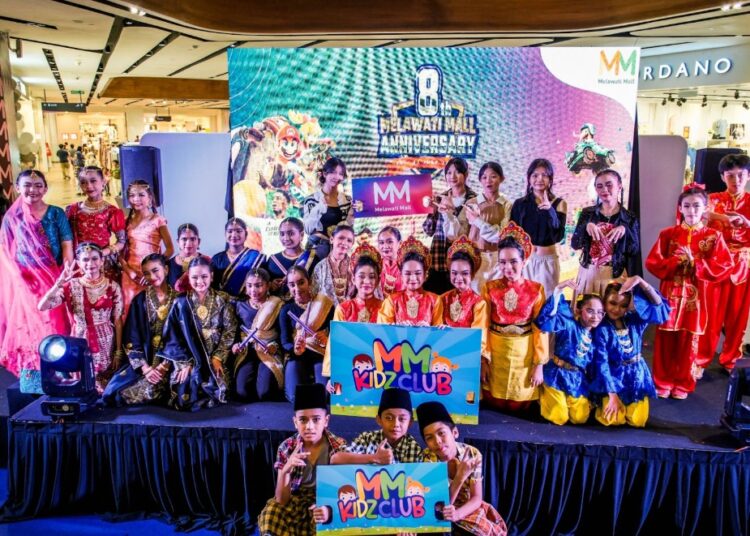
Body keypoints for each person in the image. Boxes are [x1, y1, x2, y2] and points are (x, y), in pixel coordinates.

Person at [645, 186, 732, 400]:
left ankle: (683, 383)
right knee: (665, 338)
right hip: (671, 295)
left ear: (705, 208)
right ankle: (662, 381)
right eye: (687, 206)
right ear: (680, 208)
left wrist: (696, 263)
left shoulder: (713, 236)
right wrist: (675, 262)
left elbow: (724, 265)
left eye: (696, 206)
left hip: (697, 298)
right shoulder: (668, 234)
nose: (691, 210)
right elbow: (653, 262)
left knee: (689, 340)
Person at [0, 170, 73, 393]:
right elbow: (5, 250)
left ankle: (60, 369)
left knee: (56, 323)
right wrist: (17, 277)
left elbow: (66, 244)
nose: (33, 190)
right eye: (27, 185)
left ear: (46, 188)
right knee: (29, 326)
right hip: (26, 281)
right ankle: (34, 373)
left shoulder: (56, 213)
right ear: (18, 188)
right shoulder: (12, 218)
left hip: (53, 277)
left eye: (38, 185)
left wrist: (66, 275)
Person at [257, 383, 347, 536]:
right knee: (271, 512)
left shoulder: (339, 447)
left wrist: (329, 510)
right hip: (295, 501)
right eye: (303, 420)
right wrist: (286, 470)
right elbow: (281, 500)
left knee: (324, 523)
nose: (309, 426)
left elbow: (344, 492)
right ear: (295, 422)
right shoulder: (287, 447)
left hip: (324, 501)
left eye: (316, 419)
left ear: (326, 421)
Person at [38, 242, 124, 394]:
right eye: (85, 259)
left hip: (106, 340)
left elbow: (117, 321)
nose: (90, 264)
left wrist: (118, 351)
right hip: (80, 339)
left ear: (102, 261)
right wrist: (58, 284)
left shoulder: (113, 286)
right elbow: (42, 306)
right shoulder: (71, 286)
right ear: (78, 263)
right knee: (83, 383)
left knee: (105, 387)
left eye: (94, 258)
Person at [481, 225, 548, 412]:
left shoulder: (536, 290)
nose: (507, 267)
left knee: (519, 403)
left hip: (524, 354)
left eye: (513, 262)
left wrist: (539, 364)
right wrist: (483, 361)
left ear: (524, 261)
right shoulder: (489, 288)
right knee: (494, 403)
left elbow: (541, 329)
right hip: (496, 353)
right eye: (502, 262)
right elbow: (483, 325)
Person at [417, 401, 508, 536]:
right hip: (438, 507)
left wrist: (457, 514)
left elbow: (476, 497)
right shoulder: (426, 459)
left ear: (454, 432)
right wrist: (460, 477)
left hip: (466, 507)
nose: (437, 441)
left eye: (441, 433)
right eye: (429, 438)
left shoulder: (472, 454)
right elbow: (439, 504)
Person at [158, 257, 237, 410]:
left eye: (204, 276)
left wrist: (218, 357)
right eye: (194, 277)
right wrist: (185, 363)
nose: (199, 281)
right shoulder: (180, 302)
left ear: (211, 276)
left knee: (215, 385)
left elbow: (229, 331)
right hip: (189, 356)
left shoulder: (222, 299)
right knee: (185, 389)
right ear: (188, 277)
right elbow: (173, 337)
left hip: (214, 356)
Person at [696, 154, 750, 375]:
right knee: (711, 314)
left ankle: (731, 358)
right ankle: (701, 360)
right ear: (722, 177)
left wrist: (747, 223)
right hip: (716, 265)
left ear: (748, 176)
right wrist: (723, 218)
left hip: (743, 265)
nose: (736, 180)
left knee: (737, 316)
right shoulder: (713, 199)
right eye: (730, 175)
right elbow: (698, 214)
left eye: (741, 175)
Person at [592, 277, 670, 427]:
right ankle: (605, 401)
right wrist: (612, 395)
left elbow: (658, 306)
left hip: (637, 377)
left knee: (637, 421)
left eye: (623, 305)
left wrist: (641, 282)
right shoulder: (601, 329)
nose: (617, 309)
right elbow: (602, 364)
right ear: (604, 301)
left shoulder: (635, 320)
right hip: (614, 377)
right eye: (612, 303)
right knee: (614, 420)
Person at [102, 253, 177, 406]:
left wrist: (164, 365)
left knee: (174, 390)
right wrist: (146, 369)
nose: (152, 276)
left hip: (173, 361)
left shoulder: (179, 300)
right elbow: (132, 338)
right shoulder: (140, 300)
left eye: (155, 270)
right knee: (113, 394)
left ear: (166, 269)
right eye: (147, 273)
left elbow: (182, 339)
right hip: (146, 359)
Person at [535, 280, 610, 425]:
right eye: (590, 311)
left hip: (577, 379)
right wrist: (558, 290)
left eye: (600, 312)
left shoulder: (597, 337)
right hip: (556, 374)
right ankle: (545, 396)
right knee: (559, 417)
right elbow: (547, 319)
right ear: (578, 310)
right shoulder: (568, 324)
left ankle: (566, 401)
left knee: (579, 418)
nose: (595, 316)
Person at [571, 168, 640, 299]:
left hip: (615, 274)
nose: (604, 189)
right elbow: (575, 244)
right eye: (600, 186)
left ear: (619, 186)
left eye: (609, 185)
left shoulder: (629, 217)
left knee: (613, 310)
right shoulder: (587, 213)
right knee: (587, 310)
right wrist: (586, 226)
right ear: (596, 190)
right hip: (589, 272)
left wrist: (625, 230)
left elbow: (634, 251)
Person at [322, 243, 383, 388]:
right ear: (353, 279)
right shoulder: (343, 309)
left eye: (372, 277)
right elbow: (335, 343)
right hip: (348, 366)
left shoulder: (385, 307)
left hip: (378, 368)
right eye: (361, 276)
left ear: (378, 281)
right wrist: (332, 375)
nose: (366, 281)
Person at [450, 161, 513, 291]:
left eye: (493, 176)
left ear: (502, 178)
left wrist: (477, 221)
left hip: (498, 259)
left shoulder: (507, 205)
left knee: (497, 295)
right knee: (476, 296)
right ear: (480, 180)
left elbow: (502, 235)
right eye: (484, 177)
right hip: (476, 256)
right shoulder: (471, 203)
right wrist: (448, 214)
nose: (488, 181)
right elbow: (458, 233)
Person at [509, 158, 567, 298]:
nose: (539, 179)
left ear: (550, 179)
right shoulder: (519, 204)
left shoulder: (559, 203)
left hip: (547, 261)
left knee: (546, 300)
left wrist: (550, 211)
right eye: (535, 175)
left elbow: (558, 236)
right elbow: (513, 234)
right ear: (529, 178)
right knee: (525, 300)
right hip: (525, 261)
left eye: (544, 175)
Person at [423, 157, 477, 294]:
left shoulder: (474, 200)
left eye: (457, 172)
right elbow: (428, 230)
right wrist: (433, 211)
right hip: (438, 261)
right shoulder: (440, 198)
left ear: (466, 174)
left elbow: (472, 233)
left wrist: (450, 212)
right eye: (449, 172)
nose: (452, 176)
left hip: (461, 264)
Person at [280, 266, 335, 403]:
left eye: (301, 283)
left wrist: (326, 339)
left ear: (309, 282)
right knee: (295, 397)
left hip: (320, 354)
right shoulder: (286, 309)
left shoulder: (325, 305)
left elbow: (335, 337)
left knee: (324, 397)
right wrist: (295, 348)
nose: (297, 288)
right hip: (297, 356)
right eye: (292, 285)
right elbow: (285, 342)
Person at [121, 180, 174, 317]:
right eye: (132, 195)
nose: (136, 199)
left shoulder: (158, 220)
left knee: (153, 311)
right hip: (131, 275)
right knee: (130, 311)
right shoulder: (126, 221)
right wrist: (129, 271)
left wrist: (155, 269)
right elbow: (120, 251)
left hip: (152, 275)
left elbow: (170, 249)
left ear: (149, 197)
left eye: (141, 195)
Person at [232, 268, 284, 401]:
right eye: (249, 285)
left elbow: (281, 333)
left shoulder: (276, 304)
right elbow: (234, 332)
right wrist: (235, 346)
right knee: (242, 392)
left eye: (258, 285)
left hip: (268, 351)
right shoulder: (239, 306)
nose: (253, 290)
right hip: (246, 352)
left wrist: (273, 346)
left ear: (268, 285)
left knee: (264, 393)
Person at [331, 388, 422, 465]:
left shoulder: (413, 448)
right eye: (389, 418)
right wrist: (375, 458)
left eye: (402, 419)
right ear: (379, 420)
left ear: (410, 423)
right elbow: (335, 459)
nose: (395, 424)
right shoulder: (368, 439)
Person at [66, 166, 126, 280]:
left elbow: (121, 242)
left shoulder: (112, 212)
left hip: (102, 263)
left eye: (93, 181)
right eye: (83, 182)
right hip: (80, 263)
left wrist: (102, 253)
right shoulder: (73, 210)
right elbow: (66, 239)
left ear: (103, 182)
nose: (88, 186)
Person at [377, 236, 443, 326]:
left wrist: (429, 330)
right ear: (401, 275)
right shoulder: (391, 301)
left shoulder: (435, 300)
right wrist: (397, 328)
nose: (412, 278)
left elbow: (439, 331)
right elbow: (382, 330)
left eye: (417, 273)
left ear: (425, 275)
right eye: (407, 273)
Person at [302, 157, 353, 260]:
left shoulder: (347, 200)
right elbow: (307, 229)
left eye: (340, 174)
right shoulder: (311, 200)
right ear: (324, 174)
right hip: (316, 250)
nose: (337, 176)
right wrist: (319, 208)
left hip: (338, 251)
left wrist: (352, 214)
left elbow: (348, 230)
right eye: (333, 172)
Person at [264, 217, 318, 301]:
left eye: (291, 233)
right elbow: (264, 287)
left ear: (301, 235)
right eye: (282, 234)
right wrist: (271, 285)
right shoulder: (273, 260)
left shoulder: (312, 259)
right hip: (277, 306)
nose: (286, 238)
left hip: (305, 305)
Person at [210, 218, 264, 298]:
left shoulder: (256, 257)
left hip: (247, 302)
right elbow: (211, 286)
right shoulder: (217, 259)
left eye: (238, 231)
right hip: (222, 302)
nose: (234, 235)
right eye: (230, 231)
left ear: (246, 234)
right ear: (225, 235)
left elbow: (263, 284)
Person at [312, 224, 356, 306]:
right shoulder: (320, 267)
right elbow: (314, 295)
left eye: (349, 240)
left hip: (349, 311)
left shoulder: (355, 267)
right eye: (341, 238)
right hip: (326, 311)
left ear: (352, 244)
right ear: (332, 239)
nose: (344, 243)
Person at [168, 223, 210, 293]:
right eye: (184, 239)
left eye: (193, 239)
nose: (188, 243)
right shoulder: (168, 265)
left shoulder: (207, 261)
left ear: (199, 241)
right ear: (178, 242)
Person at [376, 225, 403, 296]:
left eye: (390, 242)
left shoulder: (405, 266)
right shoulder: (376, 265)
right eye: (381, 243)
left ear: (400, 243)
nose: (385, 246)